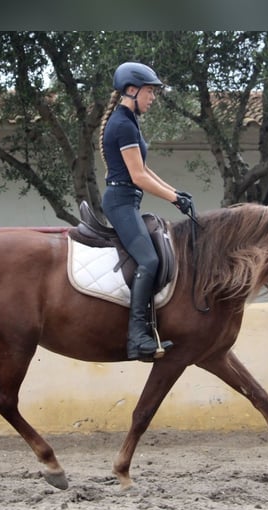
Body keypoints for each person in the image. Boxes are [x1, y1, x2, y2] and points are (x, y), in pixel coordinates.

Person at [98, 61, 195, 361]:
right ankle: (137, 337)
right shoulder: (123, 123)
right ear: (131, 90)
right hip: (120, 202)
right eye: (150, 91)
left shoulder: (129, 121)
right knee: (149, 260)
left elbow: (144, 169)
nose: (153, 98)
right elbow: (137, 177)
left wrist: (175, 192)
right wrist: (173, 200)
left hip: (129, 199)